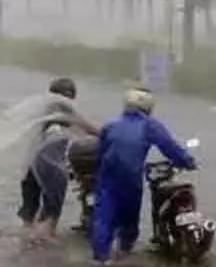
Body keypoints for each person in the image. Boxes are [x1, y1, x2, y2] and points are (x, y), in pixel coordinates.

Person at [90, 84, 195, 266]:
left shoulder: (110, 125)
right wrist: (188, 162)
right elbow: (170, 147)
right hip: (131, 178)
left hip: (108, 177)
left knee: (103, 217)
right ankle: (125, 251)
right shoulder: (150, 125)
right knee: (130, 217)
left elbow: (101, 152)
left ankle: (101, 258)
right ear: (149, 107)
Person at [18, 76, 99, 244]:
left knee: (28, 215)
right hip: (50, 165)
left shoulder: (43, 111)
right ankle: (42, 246)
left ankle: (25, 242)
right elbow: (88, 128)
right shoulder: (64, 110)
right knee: (51, 214)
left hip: (31, 165)